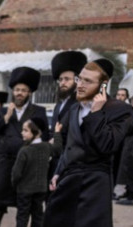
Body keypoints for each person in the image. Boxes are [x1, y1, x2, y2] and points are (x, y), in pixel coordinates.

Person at [5, 59, 133, 227]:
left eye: (87, 80)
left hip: (96, 181)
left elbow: (107, 145)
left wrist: (96, 113)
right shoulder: (72, 108)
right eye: (79, 78)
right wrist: (58, 173)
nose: (80, 84)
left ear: (102, 85)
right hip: (69, 177)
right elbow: (68, 147)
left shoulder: (120, 110)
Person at [0, 66, 49, 227]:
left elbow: (45, 134)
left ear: (29, 93)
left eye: (23, 90)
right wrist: (5, 118)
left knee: (23, 199)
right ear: (13, 91)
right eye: (17, 89)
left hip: (27, 163)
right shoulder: (3, 111)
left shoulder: (38, 111)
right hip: (4, 161)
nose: (19, 93)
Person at [6, 117, 61, 227]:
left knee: (22, 218)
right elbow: (58, 150)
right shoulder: (46, 147)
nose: (22, 133)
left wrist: (15, 184)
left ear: (35, 132)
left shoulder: (25, 150)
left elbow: (16, 173)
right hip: (41, 189)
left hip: (24, 190)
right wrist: (57, 133)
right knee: (37, 218)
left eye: (25, 130)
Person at [50, 51, 86, 180]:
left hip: (71, 159)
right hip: (55, 157)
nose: (62, 83)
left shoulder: (81, 103)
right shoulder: (58, 104)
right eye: (60, 79)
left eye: (67, 79)